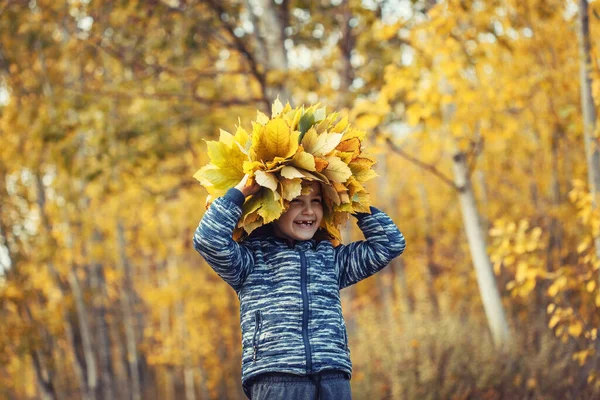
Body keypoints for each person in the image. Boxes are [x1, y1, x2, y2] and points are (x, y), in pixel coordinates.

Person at [193, 175, 406, 400]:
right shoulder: (250, 261)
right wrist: (242, 191)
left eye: (316, 201)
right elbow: (208, 239)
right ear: (271, 206)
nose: (308, 211)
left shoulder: (331, 259)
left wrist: (351, 199)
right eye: (296, 201)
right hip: (276, 379)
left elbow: (389, 243)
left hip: (332, 377)